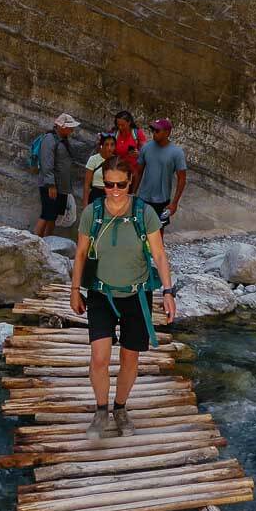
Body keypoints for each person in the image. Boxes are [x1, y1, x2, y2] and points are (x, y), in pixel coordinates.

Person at [70, 156, 176, 439]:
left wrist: (168, 291)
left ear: (131, 182)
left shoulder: (144, 214)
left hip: (137, 295)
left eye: (121, 184)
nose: (115, 190)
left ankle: (120, 408)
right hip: (101, 294)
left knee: (130, 359)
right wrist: (74, 290)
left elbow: (159, 254)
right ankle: (101, 410)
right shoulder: (92, 213)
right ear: (102, 183)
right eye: (108, 184)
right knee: (99, 358)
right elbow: (80, 254)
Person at [134, 118, 187, 235]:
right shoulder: (146, 148)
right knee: (139, 231)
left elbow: (182, 179)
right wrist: (133, 193)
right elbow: (138, 172)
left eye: (157, 130)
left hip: (162, 201)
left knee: (158, 233)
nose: (154, 133)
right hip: (143, 198)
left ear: (167, 132)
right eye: (153, 130)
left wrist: (174, 203)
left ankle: (157, 253)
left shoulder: (177, 153)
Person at [34, 113, 79, 237]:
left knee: (53, 216)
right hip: (52, 186)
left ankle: (47, 244)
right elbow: (46, 163)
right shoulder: (49, 139)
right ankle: (33, 243)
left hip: (61, 187)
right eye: (69, 127)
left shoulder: (62, 140)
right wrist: (51, 185)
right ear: (61, 126)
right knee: (47, 214)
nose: (72, 129)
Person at [112, 110, 148, 182]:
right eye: (118, 125)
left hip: (132, 173)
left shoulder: (137, 134)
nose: (120, 127)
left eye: (123, 125)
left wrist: (139, 154)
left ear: (129, 122)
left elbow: (146, 152)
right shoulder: (114, 133)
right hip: (115, 170)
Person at [82, 133, 116, 208]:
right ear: (102, 145)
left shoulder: (117, 161)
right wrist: (85, 205)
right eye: (106, 145)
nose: (109, 148)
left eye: (112, 145)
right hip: (96, 195)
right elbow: (86, 184)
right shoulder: (93, 159)